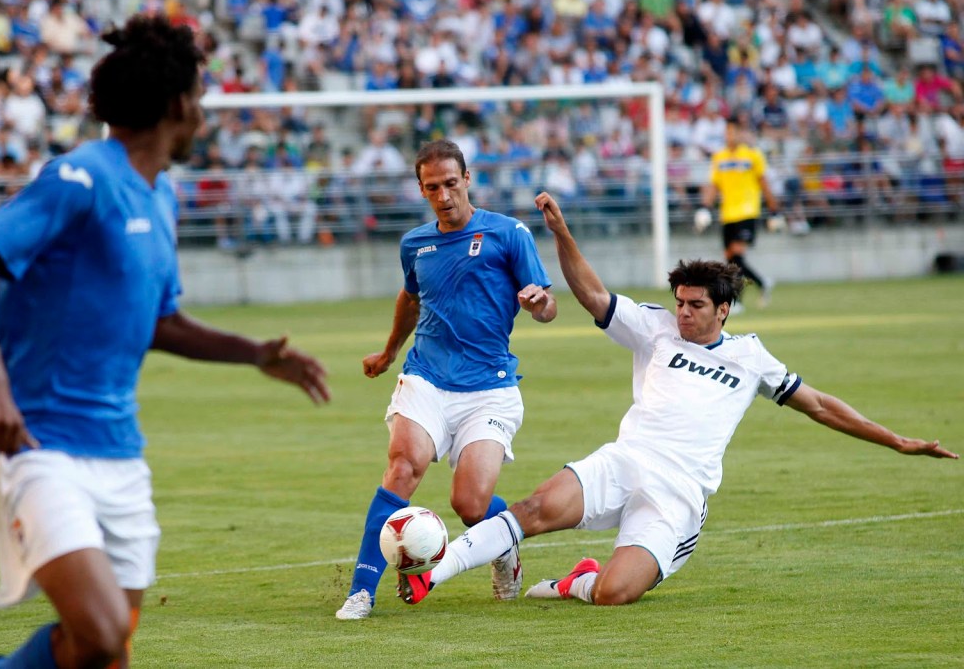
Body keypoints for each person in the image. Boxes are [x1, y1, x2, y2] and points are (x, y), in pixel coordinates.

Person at [0, 16, 331, 669]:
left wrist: (255, 352)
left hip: (121, 454)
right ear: (180, 104)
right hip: (42, 445)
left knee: (103, 652)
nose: (205, 112)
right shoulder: (81, 178)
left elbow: (159, 323)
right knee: (96, 632)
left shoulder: (161, 200)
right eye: (202, 98)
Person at [396, 191, 956, 610]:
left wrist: (897, 441)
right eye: (680, 302)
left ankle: (574, 582)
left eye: (695, 305)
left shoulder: (752, 357)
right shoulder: (655, 328)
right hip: (626, 459)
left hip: (679, 493)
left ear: (723, 310)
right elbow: (592, 294)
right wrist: (561, 231)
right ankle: (433, 571)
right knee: (534, 509)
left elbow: (822, 406)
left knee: (615, 594)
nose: (683, 312)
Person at [335, 139, 558, 620]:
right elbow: (410, 298)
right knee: (402, 468)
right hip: (427, 378)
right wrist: (390, 351)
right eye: (432, 187)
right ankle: (362, 590)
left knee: (470, 504)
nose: (443, 196)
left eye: (451, 184)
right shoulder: (415, 243)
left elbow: (548, 306)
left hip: (490, 389)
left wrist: (540, 304)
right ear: (421, 188)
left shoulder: (509, 233)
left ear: (468, 180)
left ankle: (503, 543)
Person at [699, 117, 780, 310]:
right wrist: (705, 207)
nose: (730, 136)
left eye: (733, 131)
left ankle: (737, 300)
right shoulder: (720, 157)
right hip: (727, 214)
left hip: (747, 211)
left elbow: (764, 183)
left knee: (736, 254)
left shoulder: (752, 156)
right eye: (727, 132)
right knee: (730, 258)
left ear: (740, 133)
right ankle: (761, 283)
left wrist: (774, 209)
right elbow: (714, 185)